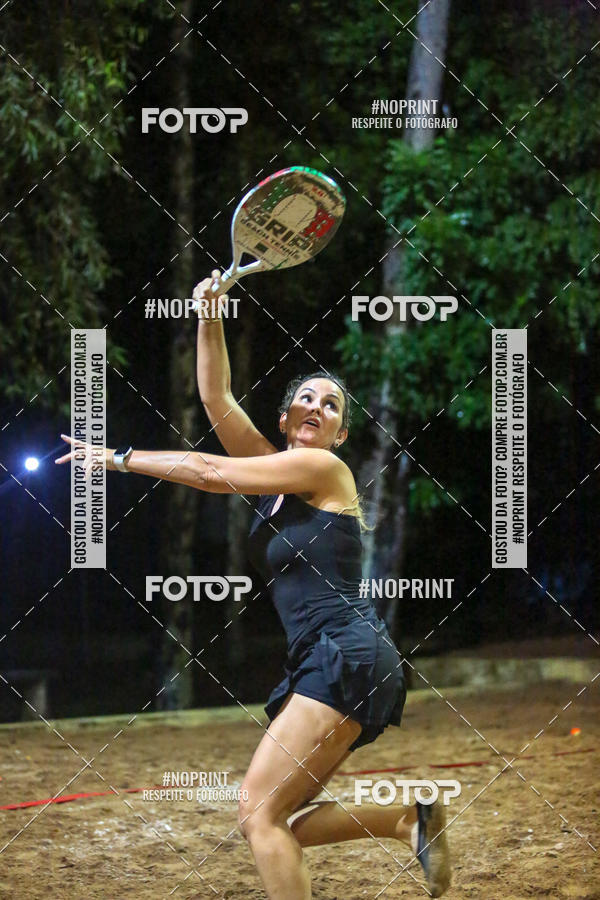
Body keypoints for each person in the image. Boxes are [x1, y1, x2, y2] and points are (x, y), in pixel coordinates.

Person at [56, 271, 451, 899]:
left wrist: (121, 458)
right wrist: (208, 313)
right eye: (308, 398)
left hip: (344, 652)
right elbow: (216, 400)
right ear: (286, 415)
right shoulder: (275, 477)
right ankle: (408, 817)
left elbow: (212, 471)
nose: (318, 407)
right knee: (281, 817)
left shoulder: (325, 468)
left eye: (332, 405)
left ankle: (408, 819)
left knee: (258, 816)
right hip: (338, 658)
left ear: (340, 434)